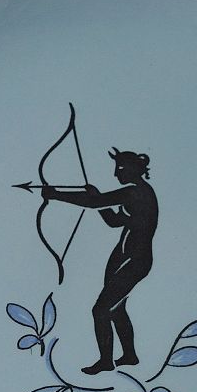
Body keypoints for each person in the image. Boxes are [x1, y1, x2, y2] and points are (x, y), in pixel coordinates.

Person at [43, 148, 158, 374]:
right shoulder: (136, 193)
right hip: (125, 257)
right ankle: (130, 355)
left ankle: (106, 361)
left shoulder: (137, 192)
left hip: (135, 260)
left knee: (101, 310)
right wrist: (96, 198)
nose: (116, 173)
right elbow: (113, 221)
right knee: (116, 308)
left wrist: (56, 195)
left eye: (121, 168)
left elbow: (95, 203)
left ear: (135, 169)